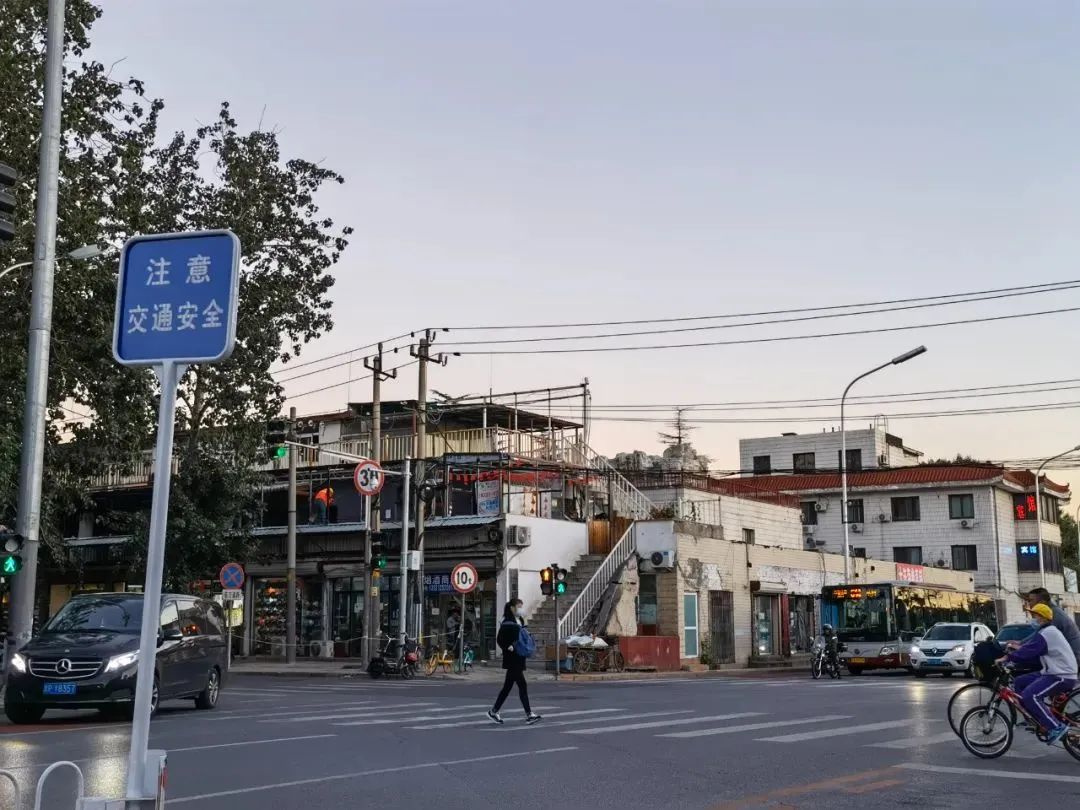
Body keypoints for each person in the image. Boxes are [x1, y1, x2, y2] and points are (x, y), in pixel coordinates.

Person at [1000, 602, 1079, 745]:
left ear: (1042, 618)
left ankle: (1055, 727)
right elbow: (1032, 650)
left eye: (1034, 616)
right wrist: (1017, 653)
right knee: (1019, 682)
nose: (1032, 619)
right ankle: (1037, 719)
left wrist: (1008, 657)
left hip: (1062, 675)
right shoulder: (1045, 632)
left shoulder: (1048, 633)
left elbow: (1030, 650)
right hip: (1051, 672)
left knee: (1030, 695)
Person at [487, 599, 542, 725]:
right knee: (522, 685)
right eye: (519, 606)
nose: (521, 609)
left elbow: (523, 636)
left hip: (519, 657)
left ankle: (494, 711)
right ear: (512, 607)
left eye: (522, 606)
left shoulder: (520, 620)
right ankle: (529, 714)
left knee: (507, 687)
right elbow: (500, 639)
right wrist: (508, 647)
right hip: (512, 658)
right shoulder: (507, 622)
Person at [1026, 588, 1080, 665]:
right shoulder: (1051, 611)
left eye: (1031, 600)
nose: (1029, 604)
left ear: (1042, 602)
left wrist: (1022, 646)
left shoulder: (1052, 614)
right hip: (1067, 656)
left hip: (1072, 658)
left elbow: (1041, 637)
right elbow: (1039, 632)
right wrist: (1021, 643)